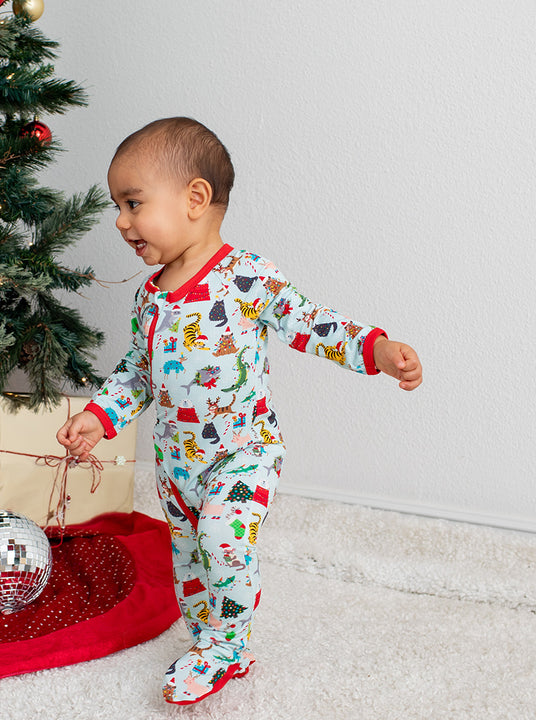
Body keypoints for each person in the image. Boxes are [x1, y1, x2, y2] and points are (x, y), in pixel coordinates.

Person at [56, 117, 422, 706]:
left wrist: (375, 349)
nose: (120, 222)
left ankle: (226, 647)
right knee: (191, 559)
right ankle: (214, 642)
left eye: (132, 203)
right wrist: (99, 417)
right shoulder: (150, 295)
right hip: (177, 467)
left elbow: (311, 323)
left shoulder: (247, 278)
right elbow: (139, 373)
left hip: (242, 453)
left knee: (225, 540)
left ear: (195, 198)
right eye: (117, 207)